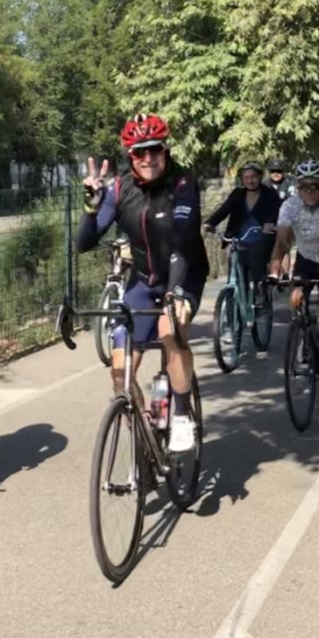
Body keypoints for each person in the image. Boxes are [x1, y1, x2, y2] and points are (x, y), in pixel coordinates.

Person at [78, 113, 208, 454]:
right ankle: (142, 437)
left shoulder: (182, 183)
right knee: (120, 373)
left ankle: (180, 416)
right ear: (129, 156)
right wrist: (91, 208)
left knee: (170, 330)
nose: (148, 158)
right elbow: (84, 243)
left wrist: (174, 295)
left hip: (185, 273)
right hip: (144, 280)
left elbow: (182, 240)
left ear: (165, 150)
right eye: (139, 152)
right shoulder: (120, 188)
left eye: (154, 150)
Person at [269, 159, 319, 378]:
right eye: (303, 186)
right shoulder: (290, 205)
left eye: (314, 186)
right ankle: (304, 331)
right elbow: (282, 240)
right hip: (306, 257)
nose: (308, 191)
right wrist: (274, 271)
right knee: (295, 298)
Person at [204, 161, 279, 293]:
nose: (250, 181)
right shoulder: (237, 194)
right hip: (238, 239)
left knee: (257, 265)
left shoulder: (269, 194)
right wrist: (210, 223)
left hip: (261, 239)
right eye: (246, 178)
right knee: (235, 269)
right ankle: (232, 303)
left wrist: (270, 224)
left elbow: (275, 212)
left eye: (253, 177)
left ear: (260, 177)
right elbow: (225, 209)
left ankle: (260, 295)